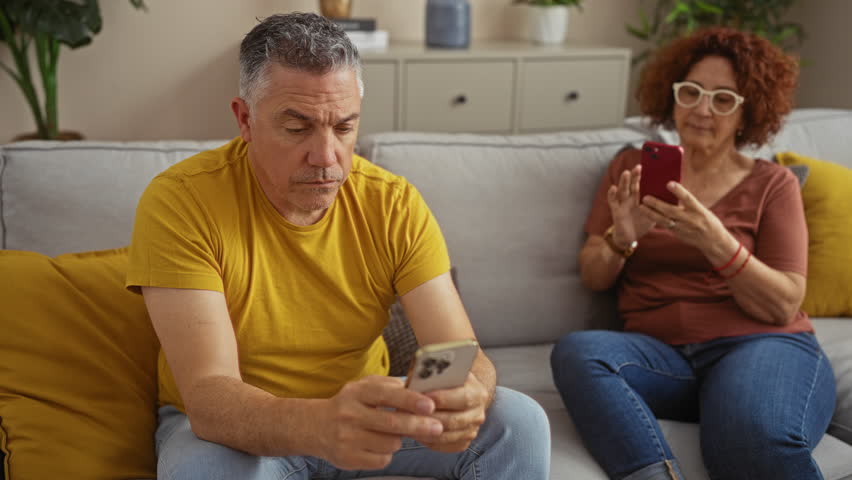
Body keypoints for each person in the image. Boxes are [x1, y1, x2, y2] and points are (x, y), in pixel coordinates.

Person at [126, 12, 550, 480]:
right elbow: (210, 397)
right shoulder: (181, 202)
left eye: (344, 127)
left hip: (368, 417)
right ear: (245, 120)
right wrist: (321, 425)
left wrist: (465, 395)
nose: (327, 157)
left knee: (520, 420)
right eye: (297, 128)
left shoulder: (393, 204)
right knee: (201, 471)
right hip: (240, 434)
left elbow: (458, 351)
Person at [550, 27, 835, 480]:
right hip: (662, 359)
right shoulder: (632, 169)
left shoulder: (773, 184)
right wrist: (623, 238)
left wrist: (715, 241)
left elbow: (784, 302)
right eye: (692, 92)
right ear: (672, 95)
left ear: (747, 113)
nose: (703, 108)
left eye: (723, 99)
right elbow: (594, 276)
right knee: (579, 351)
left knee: (748, 439)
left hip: (761, 345)